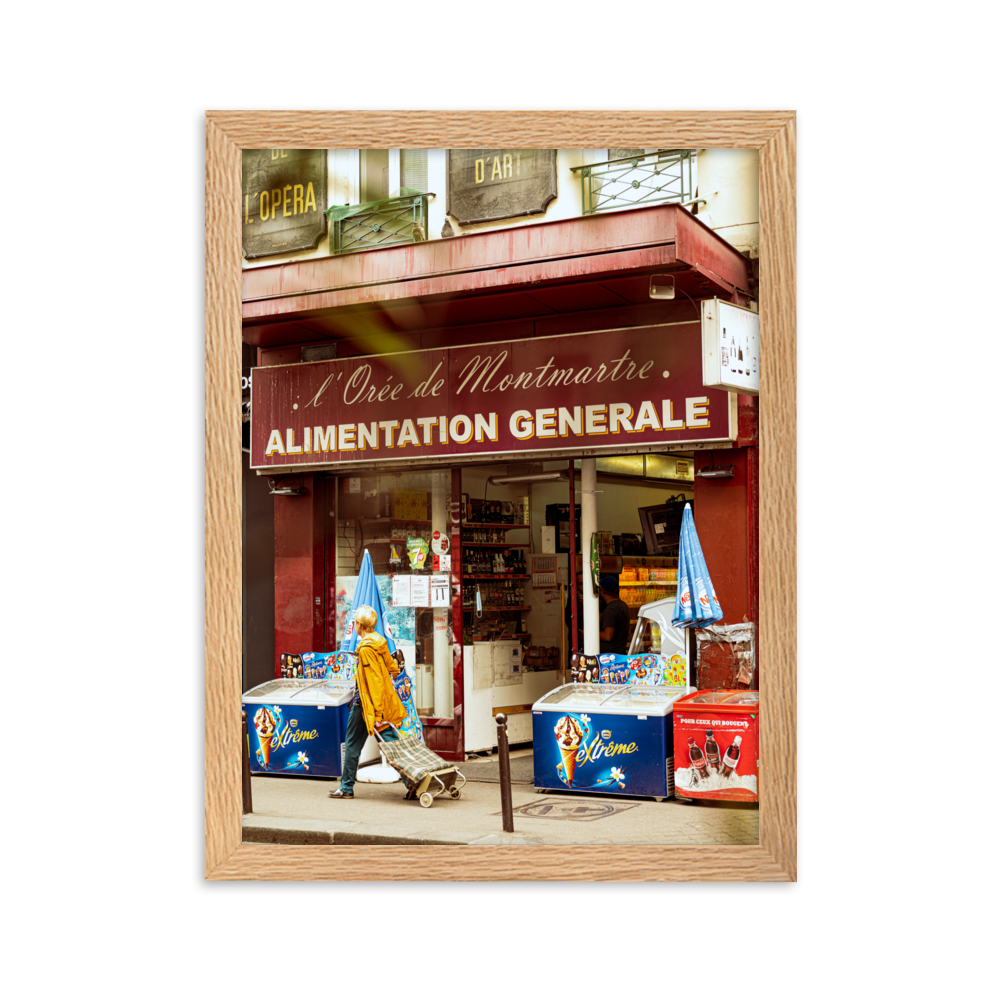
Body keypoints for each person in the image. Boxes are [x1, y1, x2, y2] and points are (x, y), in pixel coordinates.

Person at [329, 606, 407, 799]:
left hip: (366, 705)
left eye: (355, 622)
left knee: (353, 745)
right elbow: (393, 668)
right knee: (393, 745)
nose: (354, 624)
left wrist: (378, 715)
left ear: (359, 625)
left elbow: (375, 684)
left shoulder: (365, 649)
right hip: (375, 704)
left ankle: (346, 787)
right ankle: (413, 781)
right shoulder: (380, 642)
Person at [598, 575, 630, 655]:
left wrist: (590, 633)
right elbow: (609, 619)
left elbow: (607, 636)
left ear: (603, 590)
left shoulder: (611, 609)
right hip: (619, 653)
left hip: (610, 656)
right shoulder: (622, 605)